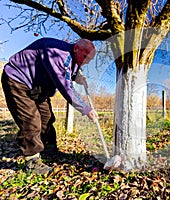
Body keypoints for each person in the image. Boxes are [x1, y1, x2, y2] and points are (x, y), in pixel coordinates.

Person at [1, 37, 98, 174]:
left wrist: (77, 77)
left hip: (38, 87)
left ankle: (50, 150)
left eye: (89, 60)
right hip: (18, 80)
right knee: (31, 121)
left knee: (47, 118)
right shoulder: (57, 53)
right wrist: (86, 109)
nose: (86, 62)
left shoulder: (72, 57)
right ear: (76, 48)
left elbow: (68, 72)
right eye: (85, 57)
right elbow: (66, 86)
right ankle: (32, 161)